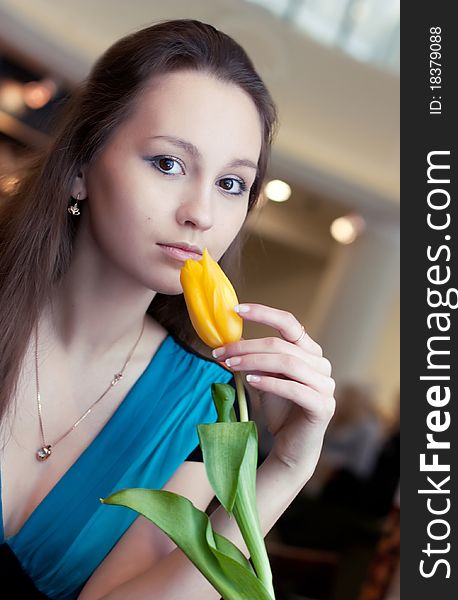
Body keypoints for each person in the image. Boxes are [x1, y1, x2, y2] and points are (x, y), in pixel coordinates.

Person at [0, 19, 336, 599]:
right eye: (168, 164)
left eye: (232, 183)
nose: (201, 213)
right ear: (81, 167)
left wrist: (284, 469)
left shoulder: (203, 406)